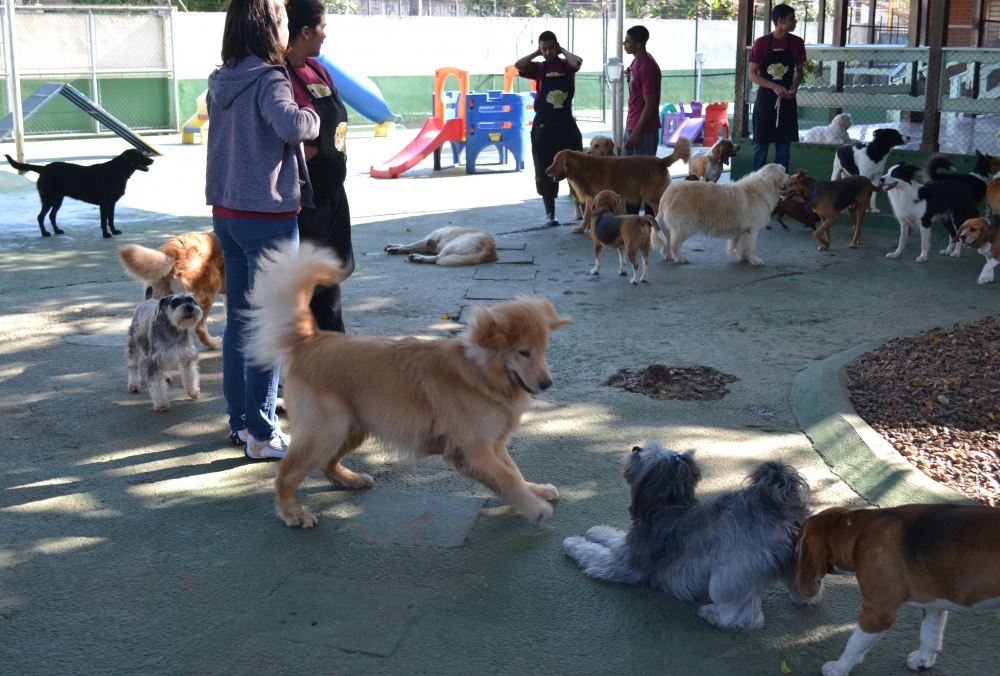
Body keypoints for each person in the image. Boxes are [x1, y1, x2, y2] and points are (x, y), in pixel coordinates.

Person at [206, 0, 319, 459]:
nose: (283, 20)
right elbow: (293, 125)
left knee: (240, 322)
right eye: (278, 15)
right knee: (270, 325)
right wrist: (314, 116)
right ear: (267, 25)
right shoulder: (270, 77)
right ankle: (263, 432)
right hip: (267, 216)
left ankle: (241, 423)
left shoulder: (221, 77)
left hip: (227, 213)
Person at [285, 0, 353, 333]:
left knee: (330, 282)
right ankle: (317, 366)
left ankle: (332, 358)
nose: (325, 35)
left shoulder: (317, 68)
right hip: (303, 200)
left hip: (332, 195)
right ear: (305, 31)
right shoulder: (277, 75)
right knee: (311, 291)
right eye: (322, 27)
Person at [515, 31, 583, 226]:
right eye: (544, 48)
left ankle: (587, 211)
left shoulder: (565, 65)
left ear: (557, 46)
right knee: (544, 169)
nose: (547, 52)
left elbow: (577, 62)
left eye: (551, 48)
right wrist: (536, 53)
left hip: (566, 126)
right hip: (544, 127)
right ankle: (550, 214)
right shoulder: (538, 67)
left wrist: (562, 50)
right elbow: (518, 66)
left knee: (578, 167)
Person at [748, 3, 805, 172]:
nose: (795, 22)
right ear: (780, 21)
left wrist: (795, 86)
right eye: (792, 19)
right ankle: (755, 189)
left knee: (783, 151)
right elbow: (752, 74)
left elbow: (799, 71)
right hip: (766, 102)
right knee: (760, 149)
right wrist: (773, 86)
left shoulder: (797, 43)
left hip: (787, 101)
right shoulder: (761, 43)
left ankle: (781, 190)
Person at [623, 25, 661, 215]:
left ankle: (649, 222)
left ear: (638, 45)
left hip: (643, 130)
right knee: (628, 177)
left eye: (628, 41)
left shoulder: (647, 67)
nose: (624, 44)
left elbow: (651, 103)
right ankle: (631, 220)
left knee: (645, 178)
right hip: (632, 125)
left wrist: (637, 133)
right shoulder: (636, 64)